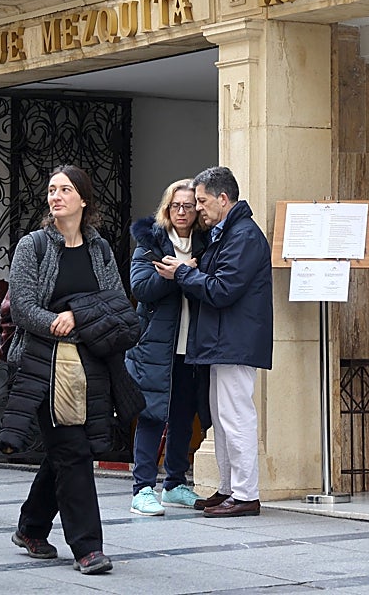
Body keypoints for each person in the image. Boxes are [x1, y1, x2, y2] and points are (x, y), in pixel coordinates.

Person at [6, 164, 142, 576]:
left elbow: (117, 305)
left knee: (66, 452)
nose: (56, 196)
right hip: (43, 365)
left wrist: (76, 316)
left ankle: (31, 526)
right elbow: (22, 305)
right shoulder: (34, 246)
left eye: (65, 189)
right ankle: (87, 547)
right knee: (72, 452)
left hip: (90, 364)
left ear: (84, 200)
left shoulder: (99, 249)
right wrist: (56, 322)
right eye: (51, 190)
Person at [155, 166, 272, 517]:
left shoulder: (244, 235)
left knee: (236, 417)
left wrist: (183, 273)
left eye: (203, 201)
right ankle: (228, 488)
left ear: (223, 199)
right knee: (221, 419)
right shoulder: (228, 233)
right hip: (223, 341)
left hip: (235, 342)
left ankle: (246, 494)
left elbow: (222, 289)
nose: (198, 209)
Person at [126, 179, 212, 516]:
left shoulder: (207, 244)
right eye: (176, 205)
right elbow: (140, 287)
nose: (182, 212)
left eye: (189, 206)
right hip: (155, 345)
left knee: (182, 414)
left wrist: (185, 272)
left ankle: (175, 484)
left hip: (193, 345)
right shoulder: (151, 242)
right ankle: (142, 488)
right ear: (166, 208)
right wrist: (177, 274)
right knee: (151, 414)